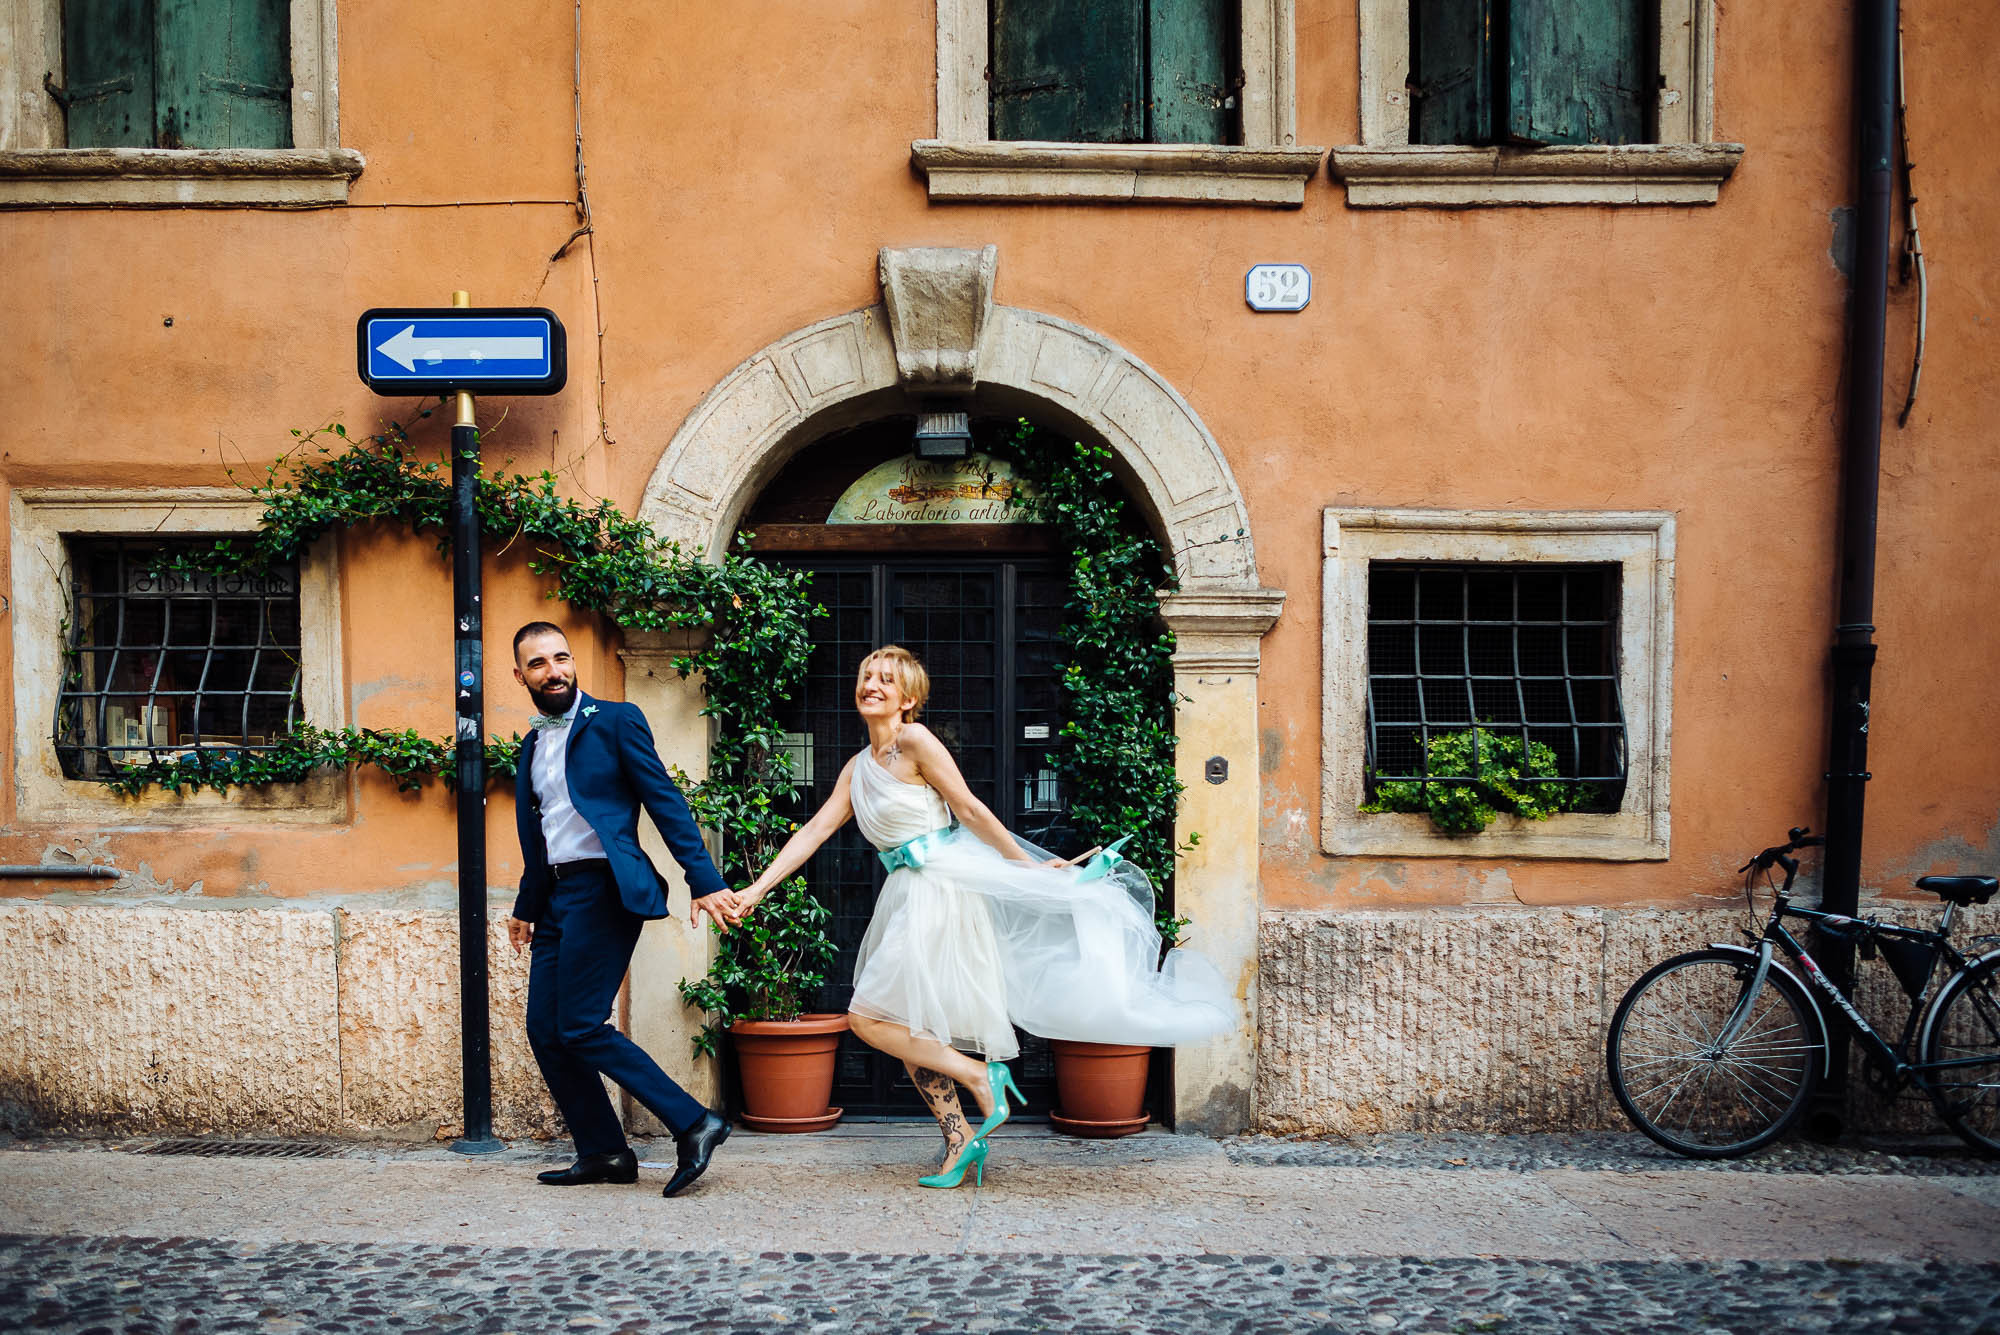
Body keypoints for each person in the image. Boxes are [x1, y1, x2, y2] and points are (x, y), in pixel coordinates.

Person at [728, 645, 1230, 1188]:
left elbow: (968, 808)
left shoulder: (915, 741)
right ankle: (959, 1138)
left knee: (869, 1019)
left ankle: (980, 1076)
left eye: (886, 680)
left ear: (908, 698)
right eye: (866, 676)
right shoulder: (857, 768)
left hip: (940, 890)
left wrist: (1029, 868)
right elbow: (814, 831)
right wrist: (756, 890)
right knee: (909, 1024)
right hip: (905, 892)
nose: (871, 685)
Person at [506, 621, 742, 1198]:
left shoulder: (615, 721)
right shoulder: (532, 744)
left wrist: (703, 879)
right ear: (521, 676)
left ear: (572, 662)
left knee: (580, 1026)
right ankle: (604, 1151)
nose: (554, 671)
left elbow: (665, 800)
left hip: (605, 889)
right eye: (538, 663)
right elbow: (543, 834)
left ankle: (694, 1122)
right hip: (555, 896)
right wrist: (527, 905)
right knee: (547, 1030)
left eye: (561, 658)